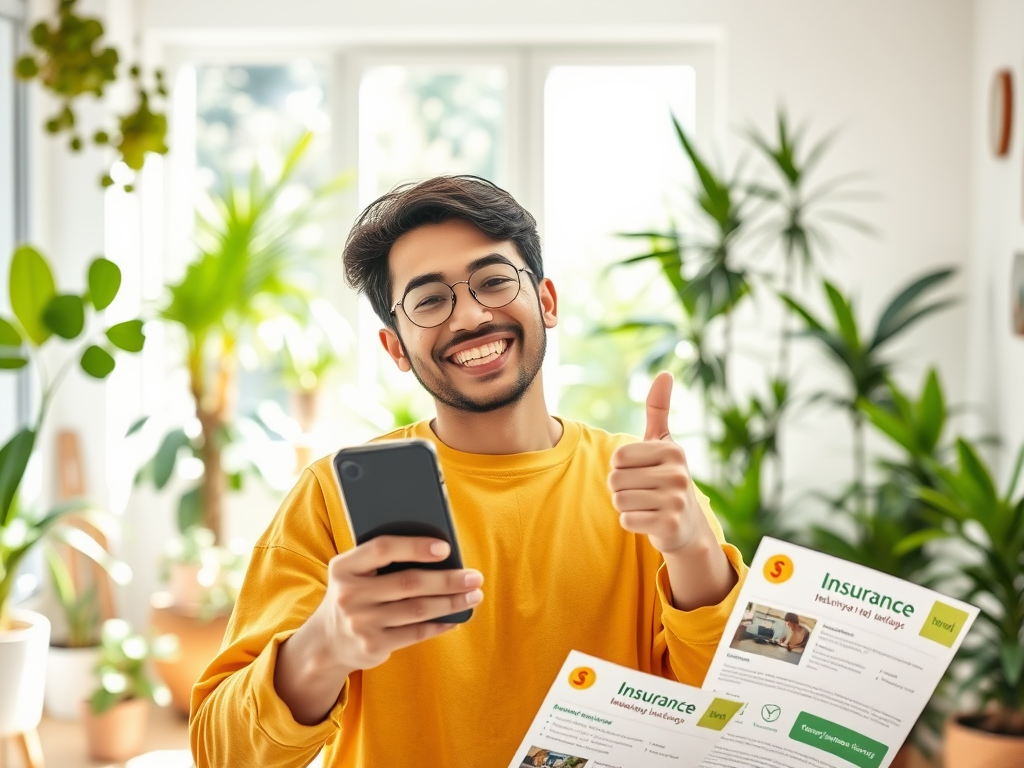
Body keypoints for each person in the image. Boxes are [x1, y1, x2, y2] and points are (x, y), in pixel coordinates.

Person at [189, 175, 748, 768]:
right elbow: (221, 755)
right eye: (429, 300)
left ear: (547, 301)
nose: (472, 315)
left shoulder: (647, 491)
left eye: (494, 281)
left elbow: (735, 719)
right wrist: (323, 646)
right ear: (396, 347)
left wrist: (691, 550)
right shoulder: (329, 500)